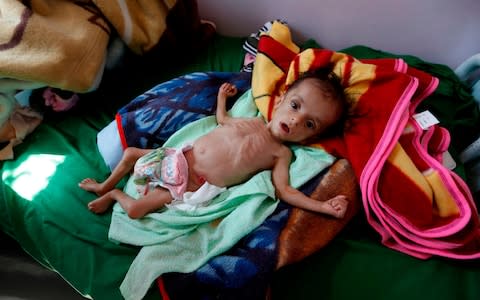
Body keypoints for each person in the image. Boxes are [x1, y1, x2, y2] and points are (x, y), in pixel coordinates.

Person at [79, 67, 349, 219]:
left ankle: (114, 196)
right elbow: (222, 120)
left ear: (311, 138)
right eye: (295, 105)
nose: (296, 119)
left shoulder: (280, 154)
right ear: (280, 99)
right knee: (129, 154)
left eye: (310, 124)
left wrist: (322, 206)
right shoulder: (250, 120)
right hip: (177, 156)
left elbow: (286, 191)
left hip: (189, 183)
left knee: (136, 210)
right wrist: (222, 98)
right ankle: (104, 186)